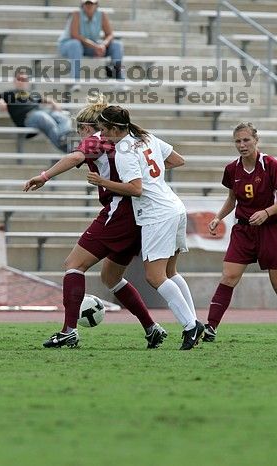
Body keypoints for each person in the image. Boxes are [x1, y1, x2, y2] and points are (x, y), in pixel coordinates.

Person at [24, 94, 168, 350]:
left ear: (88, 127)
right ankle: (151, 328)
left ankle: (68, 330)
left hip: (119, 212)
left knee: (73, 265)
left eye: (80, 129)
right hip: (140, 214)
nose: (80, 135)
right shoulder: (129, 140)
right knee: (111, 277)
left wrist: (44, 176)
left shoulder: (97, 139)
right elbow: (171, 159)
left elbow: (74, 158)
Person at [87, 105, 205, 350]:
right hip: (174, 205)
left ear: (115, 128)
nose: (102, 134)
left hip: (156, 214)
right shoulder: (146, 137)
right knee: (171, 272)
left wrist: (103, 182)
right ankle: (194, 321)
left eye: (104, 129)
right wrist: (154, 175)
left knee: (155, 276)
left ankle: (190, 325)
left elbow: (136, 189)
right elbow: (177, 160)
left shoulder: (123, 150)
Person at [204, 122, 277, 343]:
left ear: (256, 140)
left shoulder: (270, 164)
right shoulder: (232, 169)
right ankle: (210, 327)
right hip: (243, 229)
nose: (242, 145)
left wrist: (266, 213)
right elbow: (232, 199)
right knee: (229, 276)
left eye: (246, 140)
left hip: (270, 229)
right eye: (238, 141)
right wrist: (218, 217)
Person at [0, 69, 73, 153]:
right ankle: (68, 147)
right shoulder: (9, 93)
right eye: (20, 79)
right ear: (15, 81)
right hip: (27, 119)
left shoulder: (31, 93)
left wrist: (54, 102)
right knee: (45, 118)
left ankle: (63, 137)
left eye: (25, 79)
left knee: (63, 116)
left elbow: (45, 99)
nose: (22, 81)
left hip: (40, 114)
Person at [57, 1, 126, 89]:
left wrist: (103, 45)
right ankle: (75, 82)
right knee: (75, 44)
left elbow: (110, 34)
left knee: (117, 45)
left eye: (91, 3)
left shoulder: (102, 15)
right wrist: (96, 46)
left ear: (96, 4)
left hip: (88, 46)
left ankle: (120, 81)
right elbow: (74, 35)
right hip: (69, 45)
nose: (89, 5)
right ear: (82, 5)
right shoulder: (76, 14)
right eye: (87, 3)